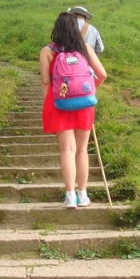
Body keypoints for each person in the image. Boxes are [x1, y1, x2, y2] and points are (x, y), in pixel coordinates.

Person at [39, 12, 107, 209]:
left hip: (59, 103)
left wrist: (51, 103)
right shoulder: (85, 48)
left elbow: (45, 82)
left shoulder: (47, 51)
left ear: (56, 29)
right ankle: (83, 195)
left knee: (66, 149)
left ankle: (70, 196)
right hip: (84, 104)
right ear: (76, 29)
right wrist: (88, 91)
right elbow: (102, 74)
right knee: (82, 149)